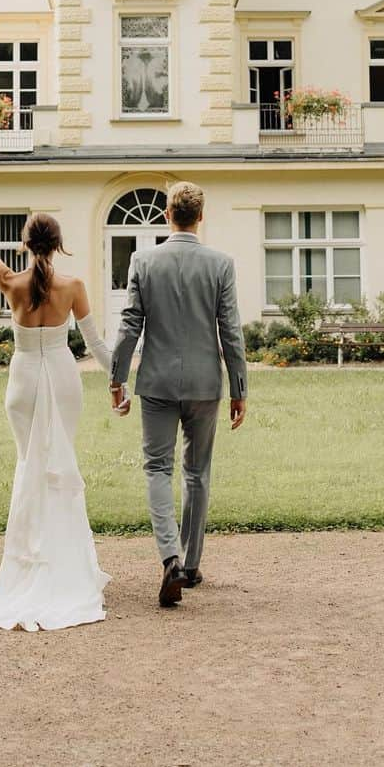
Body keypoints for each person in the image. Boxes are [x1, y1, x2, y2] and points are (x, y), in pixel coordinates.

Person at [0, 208, 123, 631]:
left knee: (29, 465)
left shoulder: (10, 282)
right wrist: (119, 381)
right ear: (58, 243)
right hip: (61, 375)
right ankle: (64, 561)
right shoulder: (72, 286)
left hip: (23, 379)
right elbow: (96, 343)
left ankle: (30, 559)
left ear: (26, 243)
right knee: (59, 463)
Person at [109, 181, 247, 608]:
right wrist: (240, 386)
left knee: (156, 468)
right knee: (197, 473)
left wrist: (117, 378)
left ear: (167, 214)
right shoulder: (220, 264)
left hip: (157, 383)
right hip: (206, 383)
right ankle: (189, 564)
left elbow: (130, 324)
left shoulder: (143, 261)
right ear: (200, 217)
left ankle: (169, 556)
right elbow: (231, 331)